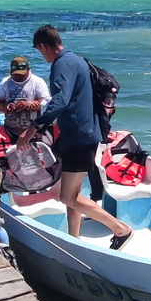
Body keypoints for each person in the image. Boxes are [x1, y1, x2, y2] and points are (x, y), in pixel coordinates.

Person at [26, 25, 133, 249]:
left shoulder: (61, 64)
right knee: (72, 193)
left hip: (78, 137)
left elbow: (61, 100)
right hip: (85, 134)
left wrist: (34, 127)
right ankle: (74, 239)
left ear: (44, 46)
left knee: (67, 197)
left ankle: (120, 229)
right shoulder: (77, 60)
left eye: (40, 51)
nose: (42, 56)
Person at [0, 56, 51, 139]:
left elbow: (47, 104)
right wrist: (5, 107)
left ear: (28, 70)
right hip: (10, 130)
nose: (18, 77)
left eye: (21, 74)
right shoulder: (5, 83)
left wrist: (28, 105)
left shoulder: (38, 82)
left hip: (33, 132)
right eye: (15, 74)